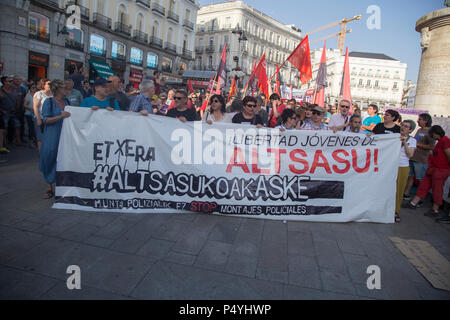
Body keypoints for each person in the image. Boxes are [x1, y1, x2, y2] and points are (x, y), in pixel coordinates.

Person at [408, 125, 450, 217]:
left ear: (436, 133)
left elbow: (448, 154)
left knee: (437, 189)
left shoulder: (445, 141)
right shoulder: (440, 142)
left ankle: (435, 210)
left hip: (441, 169)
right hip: (433, 168)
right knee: (424, 186)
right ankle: (413, 203)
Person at [39, 79, 71, 199]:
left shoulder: (66, 101)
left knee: (62, 158)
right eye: (64, 87)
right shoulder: (49, 102)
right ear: (57, 89)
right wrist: (60, 116)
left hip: (65, 134)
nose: (66, 89)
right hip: (52, 135)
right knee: (50, 157)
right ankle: (49, 187)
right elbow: (45, 120)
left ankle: (60, 185)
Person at [403, 113, 435, 201]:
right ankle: (406, 193)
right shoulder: (419, 130)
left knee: (421, 179)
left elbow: (432, 147)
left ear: (426, 121)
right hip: (413, 157)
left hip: (421, 159)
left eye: (420, 119)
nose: (418, 121)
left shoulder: (430, 132)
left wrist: (418, 145)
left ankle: (420, 198)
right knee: (410, 177)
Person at [394, 120, 417, 222]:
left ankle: (396, 211)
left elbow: (410, 155)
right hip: (391, 166)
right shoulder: (394, 137)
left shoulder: (412, 141)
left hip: (402, 166)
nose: (403, 127)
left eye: (406, 126)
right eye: (402, 125)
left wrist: (404, 143)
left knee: (399, 189)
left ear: (410, 130)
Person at [0, 76, 22, 146]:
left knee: (17, 126)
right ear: (4, 82)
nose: (10, 83)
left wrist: (17, 109)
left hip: (14, 112)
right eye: (9, 81)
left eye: (10, 81)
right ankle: (4, 142)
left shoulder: (13, 89)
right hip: (5, 112)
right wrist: (2, 110)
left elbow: (17, 99)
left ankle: (18, 141)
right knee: (4, 128)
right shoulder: (1, 91)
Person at [33, 78, 52, 152]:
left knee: (48, 136)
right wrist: (38, 119)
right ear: (43, 85)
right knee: (40, 137)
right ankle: (41, 153)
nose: (50, 85)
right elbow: (35, 107)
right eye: (48, 84)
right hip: (41, 117)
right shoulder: (39, 94)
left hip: (50, 118)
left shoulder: (52, 93)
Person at [24, 83, 38, 147]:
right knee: (31, 128)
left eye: (35, 87)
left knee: (36, 128)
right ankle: (31, 142)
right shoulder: (28, 95)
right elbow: (24, 105)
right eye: (32, 87)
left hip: (36, 114)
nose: (34, 89)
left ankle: (36, 141)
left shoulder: (37, 94)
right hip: (29, 114)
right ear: (30, 88)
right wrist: (32, 108)